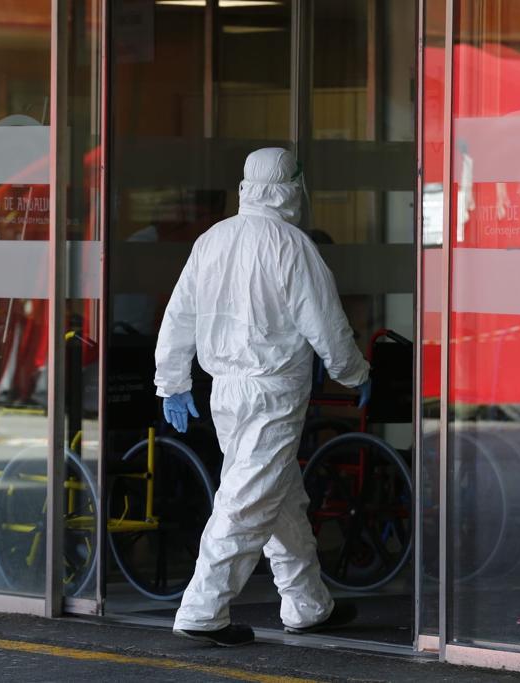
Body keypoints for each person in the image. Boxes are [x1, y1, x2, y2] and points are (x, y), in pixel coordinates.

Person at [154, 147, 371, 647]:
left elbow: (179, 314)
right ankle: (202, 611)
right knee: (247, 501)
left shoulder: (211, 240)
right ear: (292, 188)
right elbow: (326, 324)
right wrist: (354, 373)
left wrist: (173, 381)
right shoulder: (291, 244)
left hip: (225, 392)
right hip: (273, 392)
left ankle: (307, 604)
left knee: (280, 498)